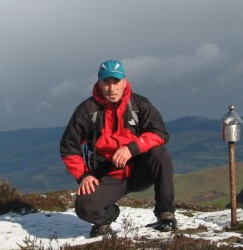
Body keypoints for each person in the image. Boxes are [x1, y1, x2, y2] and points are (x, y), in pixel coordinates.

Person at [60, 59, 177, 237]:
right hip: (107, 175)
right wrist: (83, 176)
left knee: (160, 154)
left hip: (139, 171)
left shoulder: (139, 104)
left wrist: (132, 148)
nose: (111, 88)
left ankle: (165, 214)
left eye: (116, 82)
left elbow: (160, 133)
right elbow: (69, 146)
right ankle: (107, 216)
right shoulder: (87, 110)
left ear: (124, 82)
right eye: (106, 82)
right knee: (85, 208)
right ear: (99, 83)